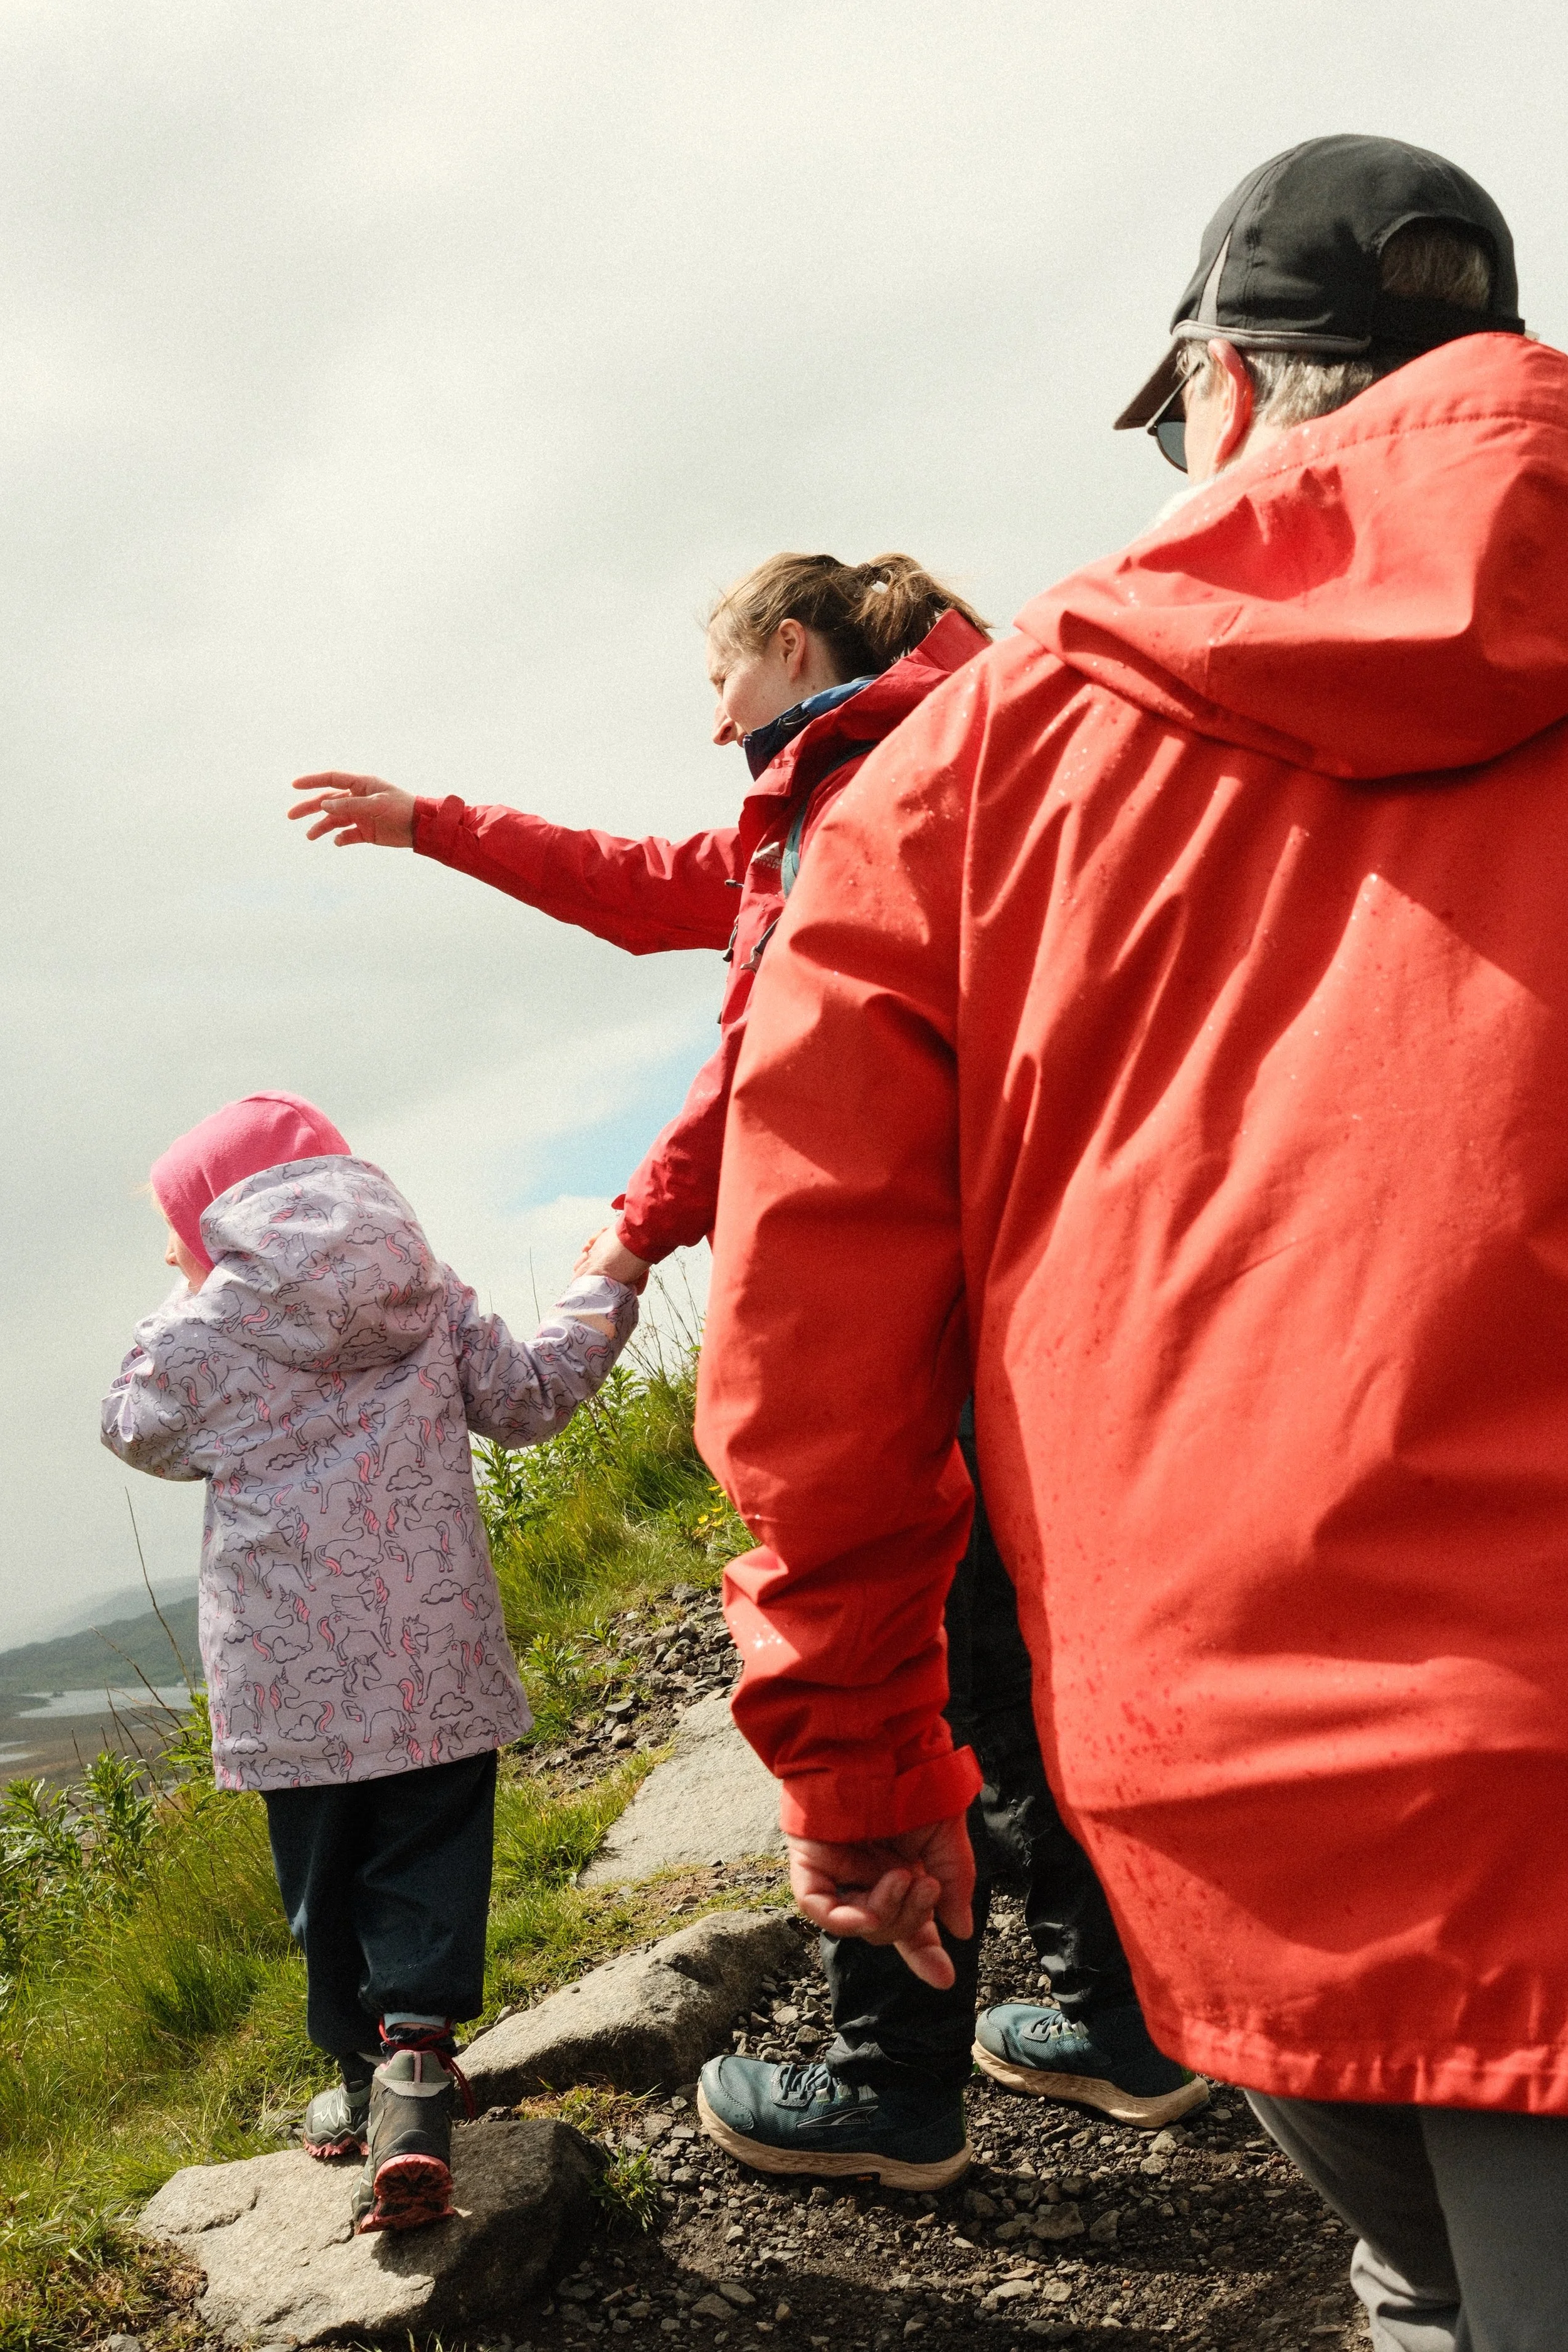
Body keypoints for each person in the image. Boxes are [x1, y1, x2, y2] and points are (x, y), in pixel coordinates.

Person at [694, 135, 1568, 2349]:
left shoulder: (960, 780)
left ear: (1234, 391)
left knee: (1420, 2273)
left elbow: (816, 1334)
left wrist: (869, 1772)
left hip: (1255, 1779)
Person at [286, 559, 1196, 2186]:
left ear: (791, 648)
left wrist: (632, 1230)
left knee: (907, 1661)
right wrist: (438, 822)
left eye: (715, 685)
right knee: (1003, 1666)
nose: (709, 722)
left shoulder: (855, 803)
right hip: (1050, 1304)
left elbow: (768, 1057)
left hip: (930, 1312)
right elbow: (642, 878)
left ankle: (892, 2083)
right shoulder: (950, 756)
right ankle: (1119, 2023)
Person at [102, 1091, 638, 2235]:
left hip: (290, 1690)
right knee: (428, 1860)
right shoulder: (425, 1294)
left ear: (222, 1225)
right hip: (433, 1666)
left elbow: (130, 1427)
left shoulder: (205, 1335)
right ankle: (416, 2062)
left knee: (325, 1888)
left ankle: (362, 2078)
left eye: (175, 1234)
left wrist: (196, 1292)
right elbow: (534, 1397)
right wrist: (609, 1278)